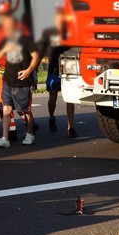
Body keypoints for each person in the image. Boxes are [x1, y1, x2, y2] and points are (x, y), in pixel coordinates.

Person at [0, 5, 39, 148]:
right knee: (6, 109)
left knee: (25, 110)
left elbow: (35, 57)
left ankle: (30, 134)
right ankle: (5, 138)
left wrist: (29, 71)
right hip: (8, 80)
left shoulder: (26, 39)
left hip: (23, 80)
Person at [38, 7, 76, 138]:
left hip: (69, 69)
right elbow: (42, 50)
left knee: (70, 98)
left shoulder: (71, 32)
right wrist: (35, 68)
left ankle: (70, 127)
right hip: (53, 69)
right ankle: (51, 117)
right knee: (52, 97)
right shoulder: (49, 32)